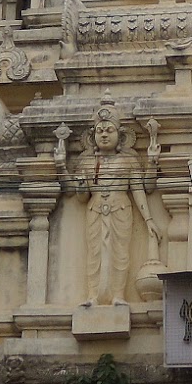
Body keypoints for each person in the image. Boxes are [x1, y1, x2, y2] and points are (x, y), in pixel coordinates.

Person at [75, 95, 158, 306]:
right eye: (100, 131)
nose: (104, 135)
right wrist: (78, 181)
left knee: (120, 255)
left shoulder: (129, 159)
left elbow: (142, 188)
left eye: (109, 130)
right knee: (95, 255)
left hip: (121, 209)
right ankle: (93, 296)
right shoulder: (87, 161)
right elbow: (81, 196)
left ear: (119, 136)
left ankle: (118, 296)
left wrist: (148, 219)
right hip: (95, 210)